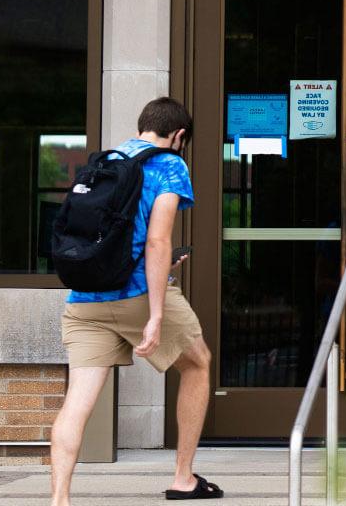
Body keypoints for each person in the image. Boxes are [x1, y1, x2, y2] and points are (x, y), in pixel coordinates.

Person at [49, 97, 220, 503]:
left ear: (143, 125)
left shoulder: (105, 161)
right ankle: (183, 478)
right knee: (198, 363)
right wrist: (156, 315)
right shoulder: (169, 165)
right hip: (138, 293)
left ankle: (59, 498)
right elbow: (158, 241)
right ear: (178, 135)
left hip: (85, 298)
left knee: (77, 401)